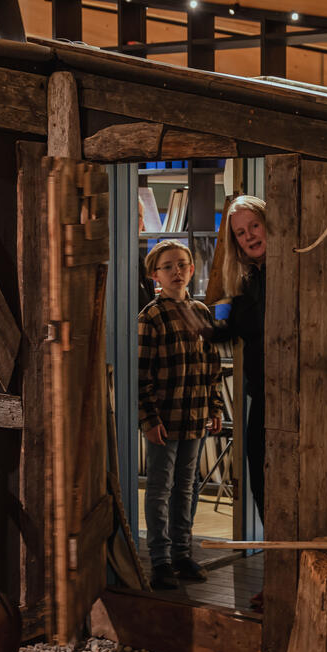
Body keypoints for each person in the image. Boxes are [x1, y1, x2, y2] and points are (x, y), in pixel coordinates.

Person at [138, 240, 225, 591]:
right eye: (168, 266)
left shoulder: (202, 312)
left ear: (191, 269)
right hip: (165, 418)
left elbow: (212, 366)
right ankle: (160, 561)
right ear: (155, 274)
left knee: (186, 487)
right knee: (160, 488)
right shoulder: (151, 316)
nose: (177, 271)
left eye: (183, 265)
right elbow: (142, 373)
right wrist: (149, 419)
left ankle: (182, 553)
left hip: (196, 416)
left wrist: (215, 407)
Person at [201, 195, 267, 608]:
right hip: (263, 395)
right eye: (240, 234)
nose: (248, 237)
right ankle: (279, 579)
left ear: (268, 223)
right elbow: (226, 331)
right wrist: (201, 320)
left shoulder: (291, 269)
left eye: (253, 227)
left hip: (298, 394)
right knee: (263, 486)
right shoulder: (248, 283)